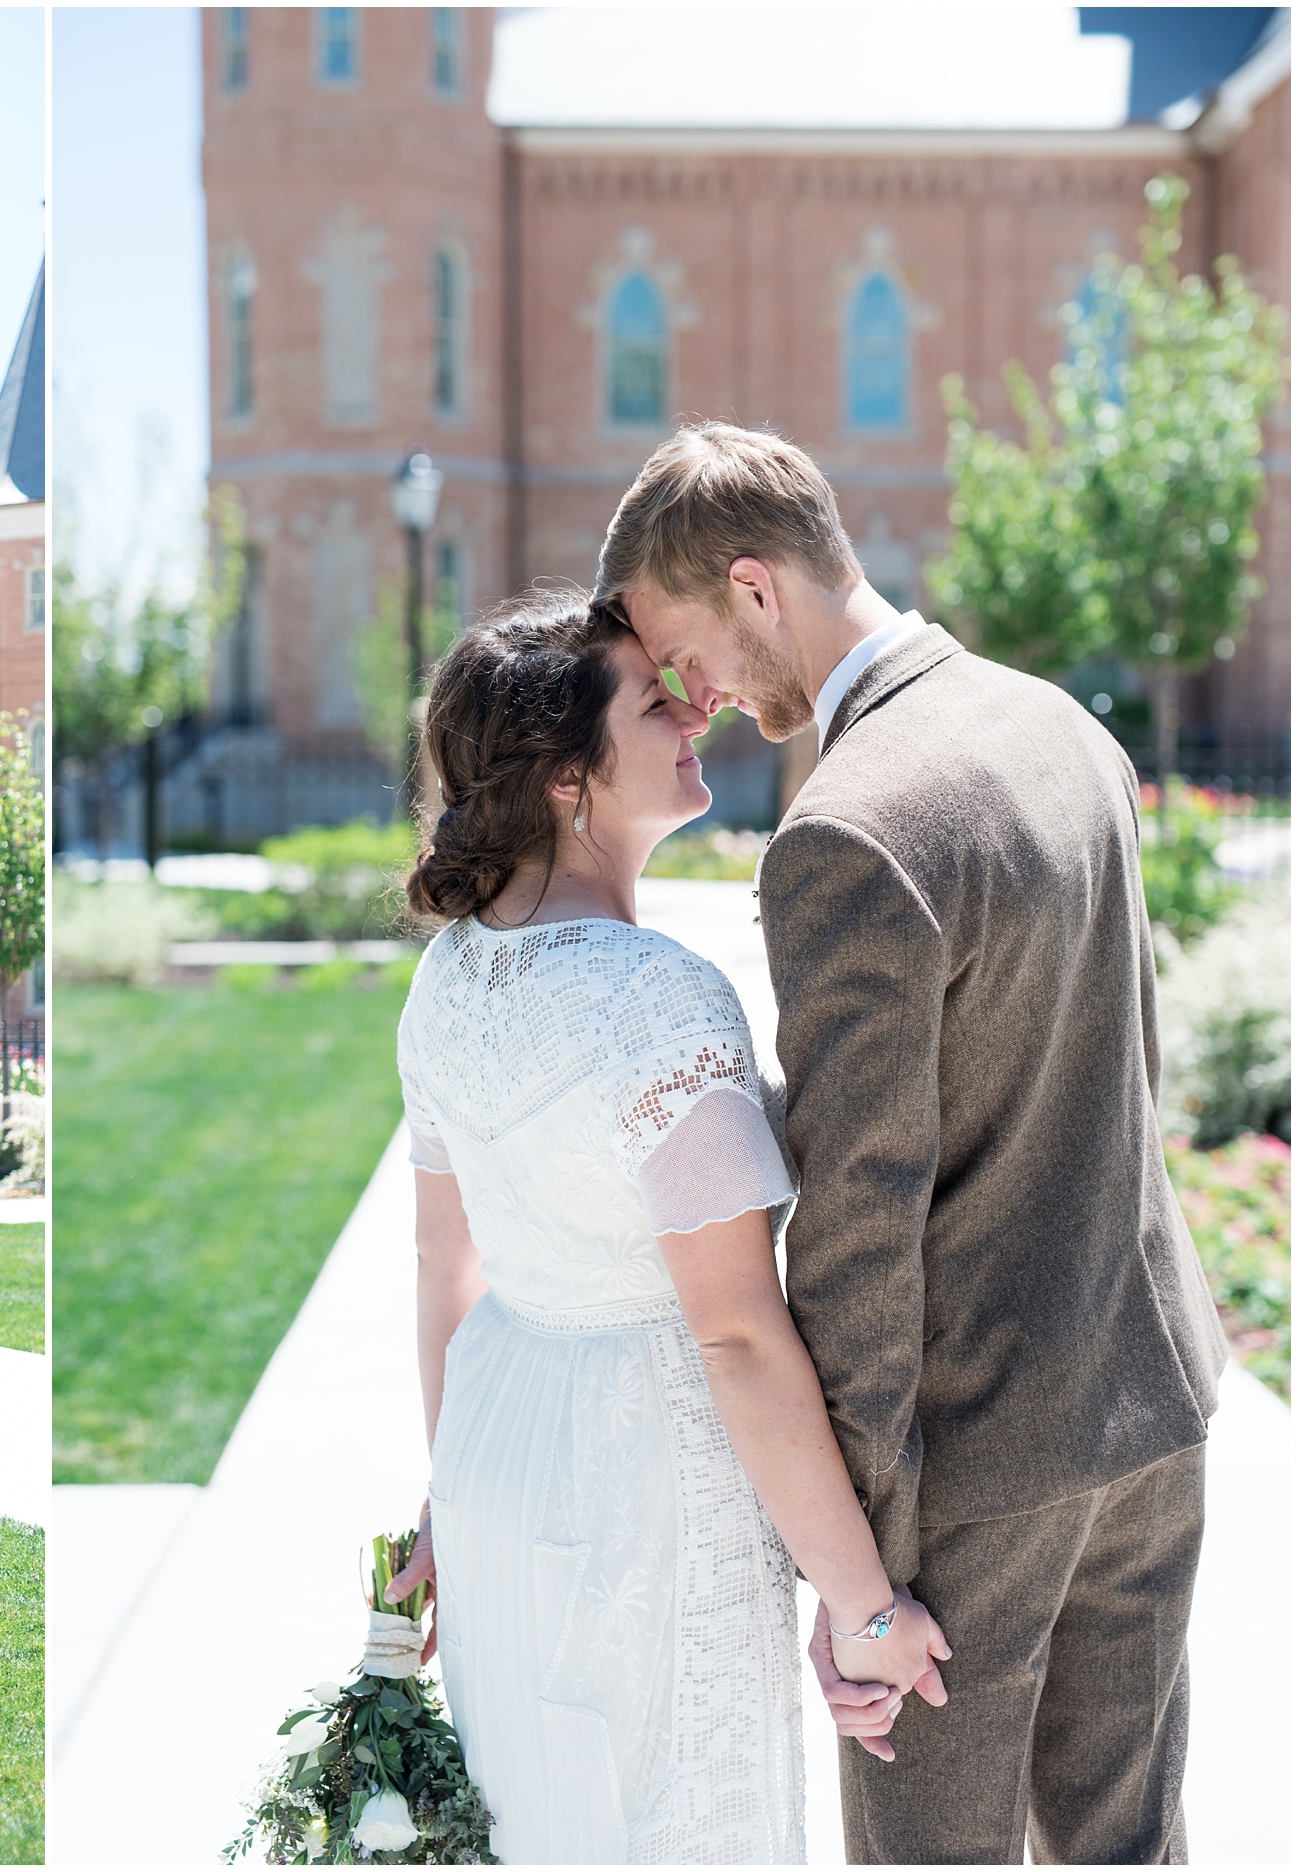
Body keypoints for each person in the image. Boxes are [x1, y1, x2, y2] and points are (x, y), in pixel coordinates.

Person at [593, 421, 1225, 1864]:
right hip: (1151, 1402)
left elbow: (856, 1241)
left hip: (980, 1477)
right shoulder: (1064, 724)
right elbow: (1126, 1067)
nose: (688, 693)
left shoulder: (849, 832)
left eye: (680, 646)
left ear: (756, 587)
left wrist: (859, 1584)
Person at [384, 587, 951, 1863]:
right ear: (569, 779)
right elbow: (737, 1337)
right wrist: (864, 1607)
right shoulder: (658, 1004)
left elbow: (443, 1259)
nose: (696, 708)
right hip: (639, 1478)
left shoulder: (448, 978)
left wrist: (448, 1487)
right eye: (655, 703)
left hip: (497, 1446)